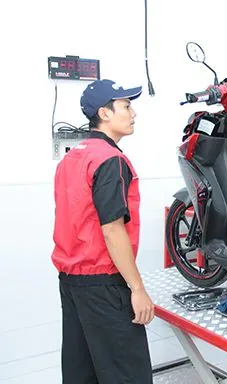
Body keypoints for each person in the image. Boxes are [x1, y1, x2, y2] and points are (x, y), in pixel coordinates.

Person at [51, 79, 155, 383]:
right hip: (105, 286)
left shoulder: (71, 158)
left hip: (72, 283)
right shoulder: (110, 160)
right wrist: (137, 289)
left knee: (82, 372)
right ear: (104, 113)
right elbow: (111, 229)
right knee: (127, 375)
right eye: (126, 106)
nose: (133, 113)